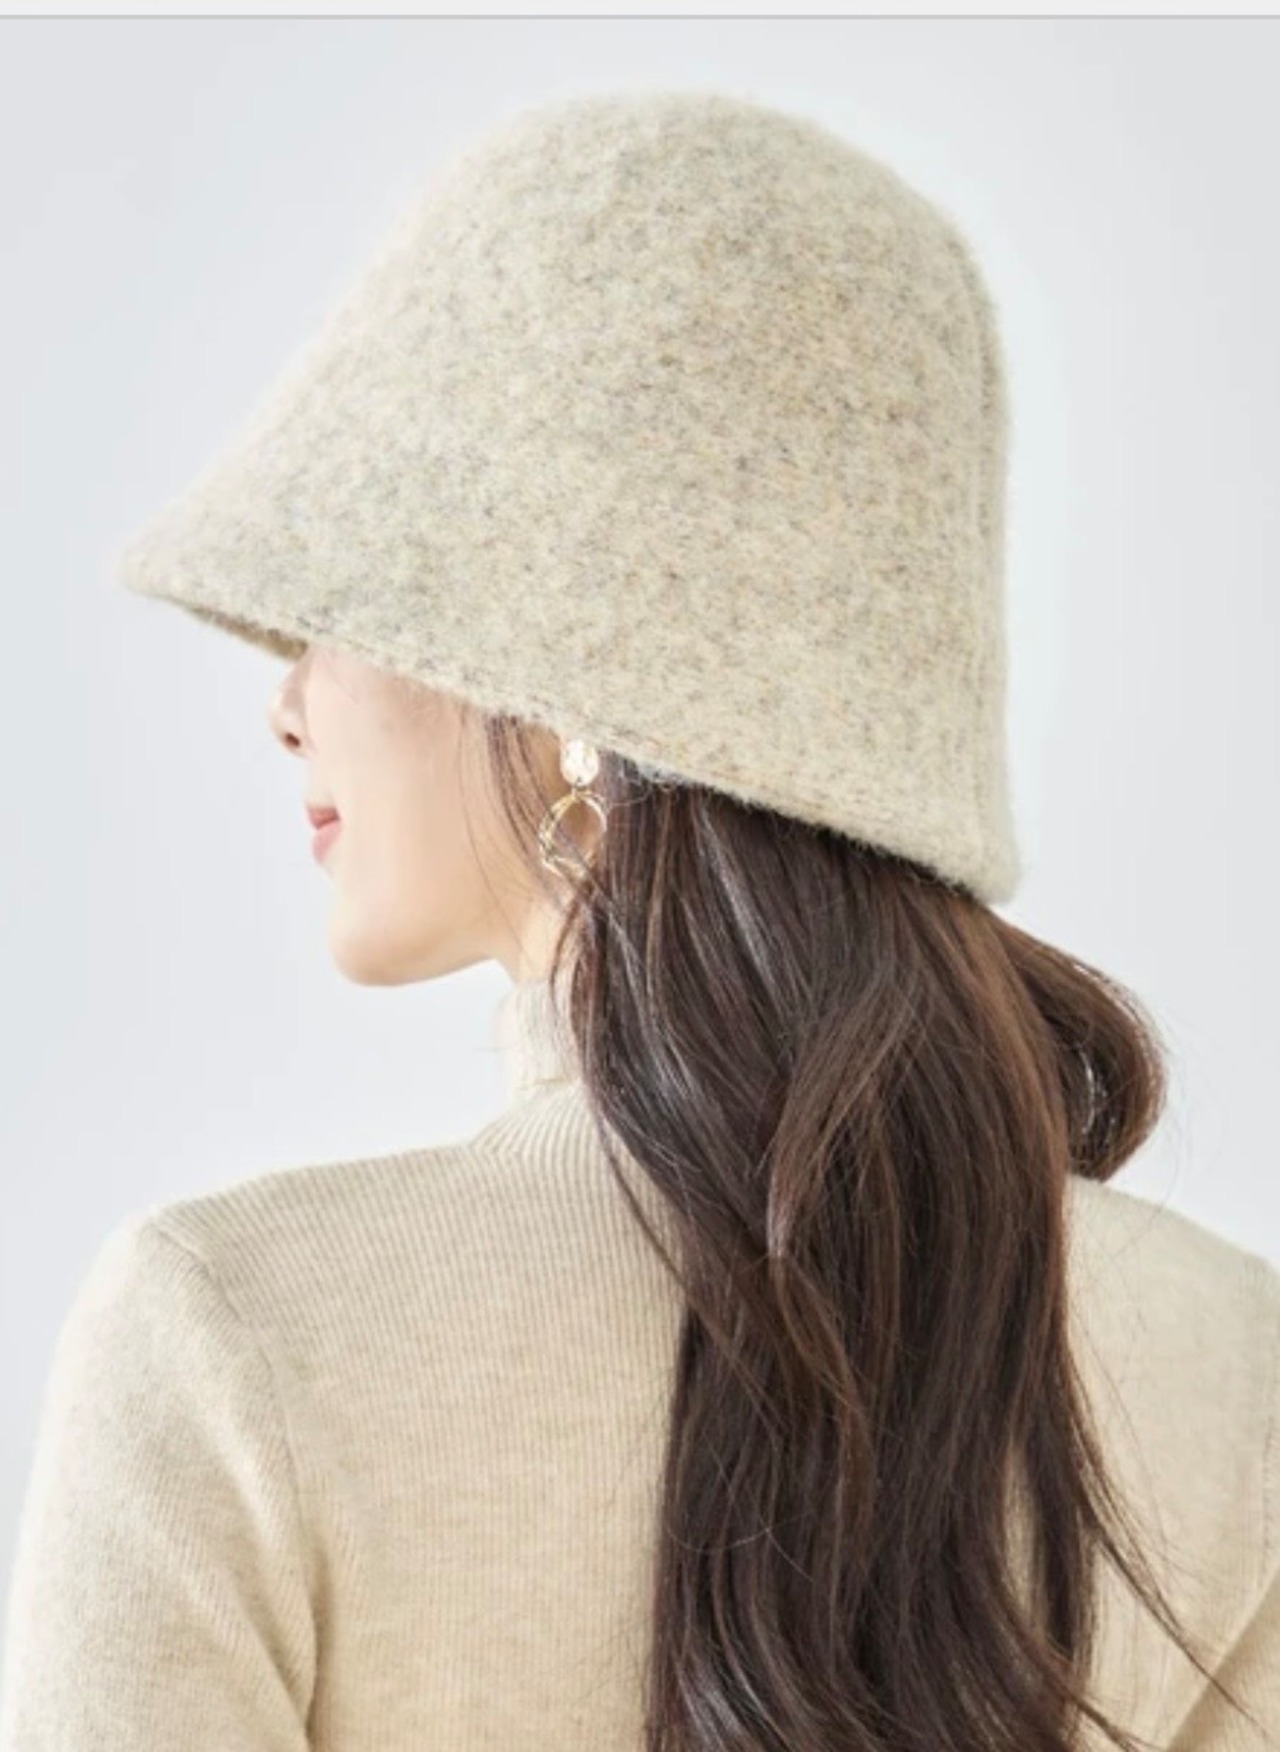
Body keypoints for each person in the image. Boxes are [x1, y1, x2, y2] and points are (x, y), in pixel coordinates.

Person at [1, 87, 1276, 1752]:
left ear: (567, 698)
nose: (286, 701)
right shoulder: (1232, 1366)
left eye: (336, 610)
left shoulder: (233, 1337)